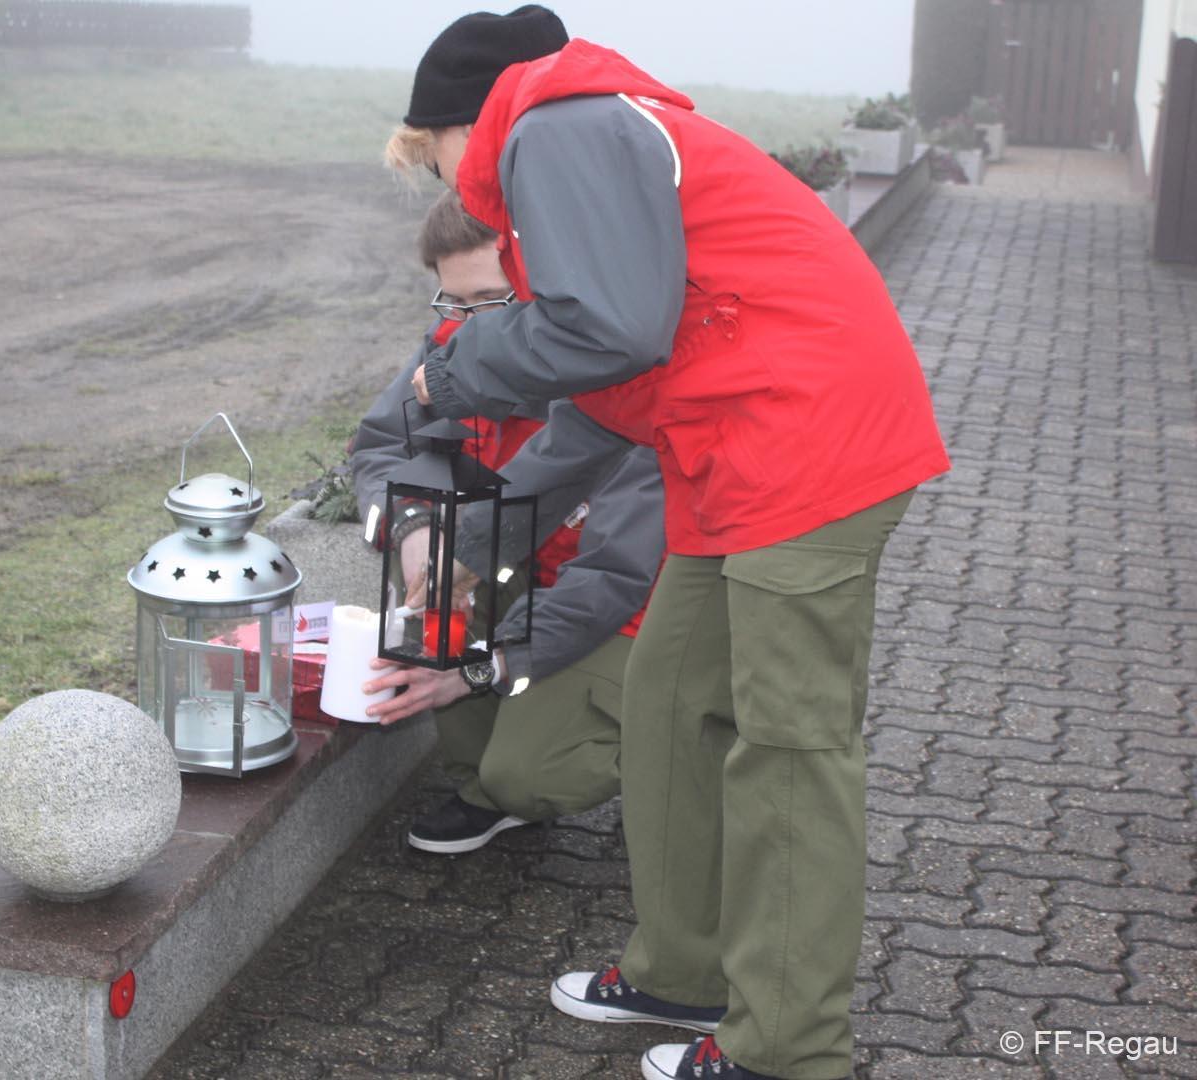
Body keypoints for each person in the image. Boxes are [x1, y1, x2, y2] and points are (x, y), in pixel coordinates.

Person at [385, 7, 951, 1080]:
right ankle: (686, 971)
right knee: (670, 700)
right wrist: (472, 538)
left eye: (432, 157)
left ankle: (787, 1048)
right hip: (737, 453)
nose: (446, 183)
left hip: (806, 445)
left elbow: (608, 329)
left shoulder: (556, 127)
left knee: (790, 748)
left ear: (462, 125)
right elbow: (606, 399)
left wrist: (451, 368)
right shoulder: (585, 134)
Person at [350, 189, 665, 856]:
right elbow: (379, 448)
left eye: (494, 302)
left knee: (530, 775)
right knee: (432, 581)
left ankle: (685, 737)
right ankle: (481, 786)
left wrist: (483, 669)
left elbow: (613, 577)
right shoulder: (451, 347)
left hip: (626, 611)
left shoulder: (624, 376)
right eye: (457, 304)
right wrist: (414, 530)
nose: (472, 330)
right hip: (516, 576)